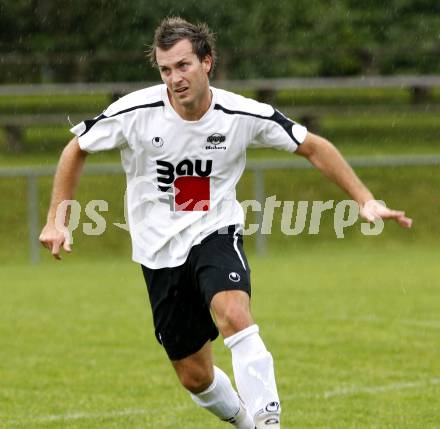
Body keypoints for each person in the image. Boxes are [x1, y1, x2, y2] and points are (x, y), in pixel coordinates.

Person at [39, 17, 412, 429]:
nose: (175, 78)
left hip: (214, 230)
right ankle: (245, 422)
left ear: (206, 62)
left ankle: (269, 424)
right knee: (195, 376)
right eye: (166, 69)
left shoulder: (239, 113)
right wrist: (59, 219)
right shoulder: (135, 111)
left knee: (234, 312)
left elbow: (312, 146)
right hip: (157, 249)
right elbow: (77, 147)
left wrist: (365, 200)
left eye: (183, 66)